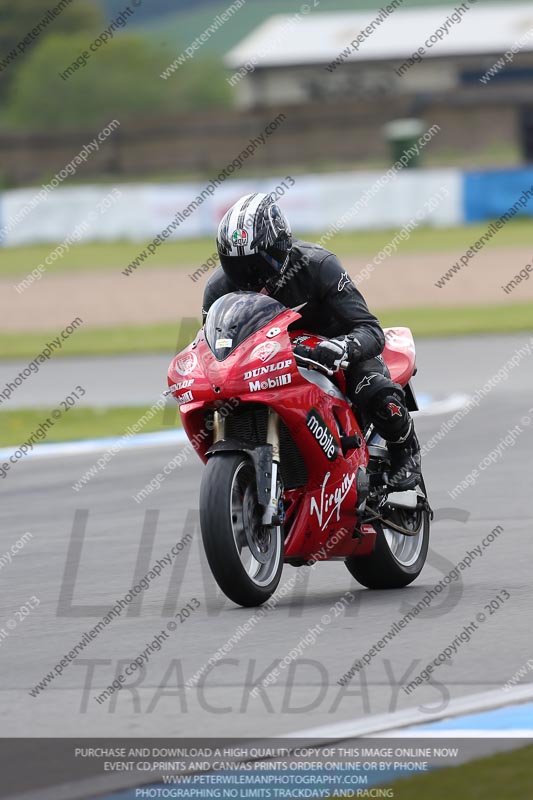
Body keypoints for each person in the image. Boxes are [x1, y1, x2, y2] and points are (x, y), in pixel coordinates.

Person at [201, 192, 421, 490]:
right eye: (237, 265)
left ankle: (405, 450)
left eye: (258, 262)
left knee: (375, 391)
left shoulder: (319, 266)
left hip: (333, 349)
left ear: (279, 246)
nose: (249, 276)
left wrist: (343, 348)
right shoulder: (218, 289)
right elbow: (212, 343)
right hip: (269, 361)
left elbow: (369, 329)